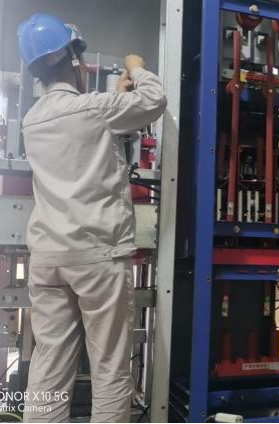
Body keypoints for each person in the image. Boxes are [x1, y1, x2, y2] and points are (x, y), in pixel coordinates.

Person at [17, 14, 167, 423]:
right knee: (110, 371)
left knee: (49, 367)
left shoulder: (33, 120)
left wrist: (114, 99)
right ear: (71, 58)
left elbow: (85, 131)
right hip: (97, 257)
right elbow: (153, 101)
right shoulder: (95, 108)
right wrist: (137, 68)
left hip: (48, 258)